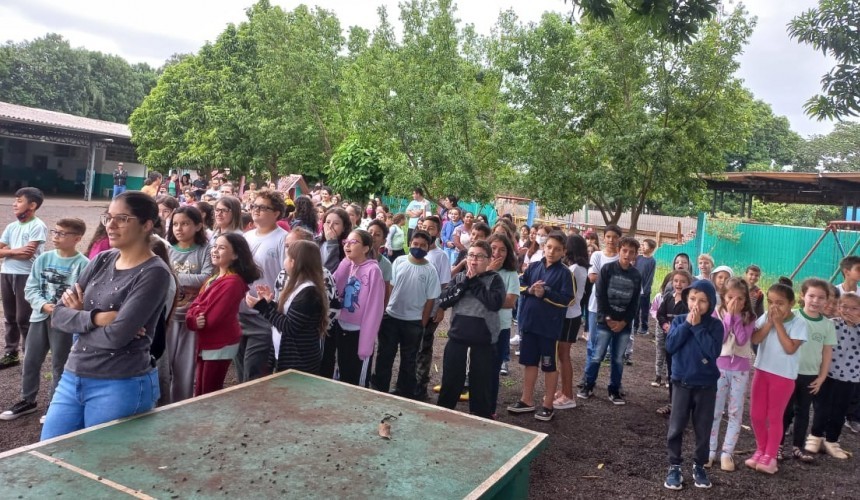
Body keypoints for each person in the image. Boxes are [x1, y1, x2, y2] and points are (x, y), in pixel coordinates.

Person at [42, 191, 172, 440]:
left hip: (120, 383)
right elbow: (57, 316)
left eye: (122, 218)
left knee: (100, 465)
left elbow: (117, 338)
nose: (110, 225)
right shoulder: (102, 259)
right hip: (73, 376)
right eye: (108, 217)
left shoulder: (154, 273)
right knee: (51, 452)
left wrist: (80, 317)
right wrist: (96, 319)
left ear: (146, 225)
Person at [0, 219, 88, 421]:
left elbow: (83, 297)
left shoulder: (83, 264)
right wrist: (43, 305)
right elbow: (30, 288)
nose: (56, 237)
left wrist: (60, 310)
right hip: (39, 317)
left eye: (62, 234)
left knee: (60, 364)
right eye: (54, 232)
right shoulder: (44, 259)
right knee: (31, 360)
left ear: (77, 238)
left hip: (65, 322)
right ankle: (27, 400)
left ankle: (54, 406)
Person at [507, 231, 574, 422]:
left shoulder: (565, 274)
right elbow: (519, 284)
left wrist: (546, 293)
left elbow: (568, 300)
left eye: (557, 249)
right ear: (544, 247)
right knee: (529, 362)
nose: (552, 252)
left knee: (549, 365)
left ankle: (547, 405)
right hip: (529, 325)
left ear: (564, 252)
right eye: (549, 247)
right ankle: (526, 400)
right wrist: (529, 290)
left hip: (549, 330)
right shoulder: (533, 267)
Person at [663, 279, 723, 490]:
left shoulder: (715, 325)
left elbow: (712, 351)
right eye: (692, 299)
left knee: (703, 427)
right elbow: (670, 346)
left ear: (711, 303)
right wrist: (688, 324)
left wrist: (697, 327)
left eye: (703, 301)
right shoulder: (679, 320)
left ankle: (699, 465)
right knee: (676, 425)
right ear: (687, 299)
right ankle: (674, 466)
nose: (696, 304)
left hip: (706, 385)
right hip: (681, 382)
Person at [746, 278, 808, 474]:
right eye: (771, 302)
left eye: (780, 303)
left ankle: (771, 457)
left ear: (791, 304)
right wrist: (769, 323)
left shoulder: (799, 323)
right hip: (762, 370)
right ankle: (761, 450)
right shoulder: (766, 317)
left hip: (783, 376)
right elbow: (755, 339)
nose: (774, 306)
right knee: (755, 415)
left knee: (774, 417)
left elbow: (790, 348)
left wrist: (779, 324)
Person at [437, 241, 505, 418]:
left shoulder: (495, 279)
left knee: (481, 388)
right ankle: (443, 417)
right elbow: (443, 301)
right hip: (457, 341)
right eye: (471, 256)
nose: (474, 261)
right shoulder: (460, 278)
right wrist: (464, 283)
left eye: (480, 257)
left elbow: (494, 303)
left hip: (483, 344)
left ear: (489, 259)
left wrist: (474, 282)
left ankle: (481, 421)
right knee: (450, 384)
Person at [187, 233, 259, 395]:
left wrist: (195, 315)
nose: (215, 251)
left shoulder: (233, 282)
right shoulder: (214, 278)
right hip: (208, 341)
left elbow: (212, 317)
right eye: (214, 246)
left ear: (234, 255)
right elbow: (195, 306)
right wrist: (193, 317)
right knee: (201, 389)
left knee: (209, 391)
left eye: (222, 247)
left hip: (220, 342)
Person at [371, 231, 441, 398]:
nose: (418, 248)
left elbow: (431, 299)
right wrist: (386, 308)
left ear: (428, 247)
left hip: (413, 322)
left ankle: (404, 392)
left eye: (423, 245)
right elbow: (391, 286)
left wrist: (423, 322)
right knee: (384, 355)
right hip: (392, 317)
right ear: (410, 243)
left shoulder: (430, 270)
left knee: (409, 360)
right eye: (415, 244)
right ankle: (379, 389)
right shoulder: (399, 262)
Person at [578, 236, 642, 405]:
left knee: (618, 358)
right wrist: (607, 318)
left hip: (624, 325)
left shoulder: (636, 275)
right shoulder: (607, 269)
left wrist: (623, 322)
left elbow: (635, 303)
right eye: (624, 250)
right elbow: (600, 296)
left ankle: (614, 390)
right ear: (619, 250)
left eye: (631, 252)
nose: (627, 255)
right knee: (597, 355)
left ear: (635, 255)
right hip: (604, 322)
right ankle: (588, 385)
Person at [248, 240, 327, 374]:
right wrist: (269, 303)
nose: (284, 261)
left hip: (299, 361)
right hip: (287, 355)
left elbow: (289, 326)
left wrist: (262, 307)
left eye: (287, 257)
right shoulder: (296, 285)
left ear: (294, 262)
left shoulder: (309, 292)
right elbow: (289, 314)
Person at [160, 206, 213, 404]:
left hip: (192, 317)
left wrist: (173, 277)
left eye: (185, 223)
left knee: (185, 368)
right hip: (168, 316)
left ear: (198, 225)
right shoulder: (167, 250)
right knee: (163, 366)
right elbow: (160, 276)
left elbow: (206, 278)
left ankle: (180, 405)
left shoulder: (205, 250)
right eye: (175, 224)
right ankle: (161, 405)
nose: (179, 228)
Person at [236, 191, 288, 382]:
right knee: (241, 367)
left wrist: (272, 304)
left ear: (276, 213)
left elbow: (286, 276)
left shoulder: (283, 239)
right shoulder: (246, 237)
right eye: (254, 206)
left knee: (255, 370)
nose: (256, 211)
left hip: (264, 315)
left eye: (263, 207)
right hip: (241, 311)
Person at [782, 278, 835, 461]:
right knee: (785, 411)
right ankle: (778, 446)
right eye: (811, 296)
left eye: (821, 297)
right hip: (788, 373)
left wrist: (822, 377)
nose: (815, 301)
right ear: (802, 296)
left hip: (810, 376)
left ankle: (797, 447)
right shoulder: (792, 316)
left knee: (803, 412)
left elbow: (827, 352)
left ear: (826, 301)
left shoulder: (828, 325)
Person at [708, 277, 756, 472]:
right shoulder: (716, 313)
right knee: (715, 410)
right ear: (723, 297)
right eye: (730, 297)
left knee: (735, 412)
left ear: (746, 300)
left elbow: (743, 340)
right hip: (719, 367)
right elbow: (721, 337)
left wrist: (737, 317)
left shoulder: (750, 318)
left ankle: (727, 452)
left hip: (741, 369)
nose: (735, 302)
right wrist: (729, 317)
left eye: (740, 299)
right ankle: (710, 451)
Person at [327, 230, 385, 386]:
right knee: (343, 372)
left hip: (359, 333)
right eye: (346, 242)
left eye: (354, 242)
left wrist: (366, 343)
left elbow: (375, 309)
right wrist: (345, 263)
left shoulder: (373, 271)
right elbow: (335, 287)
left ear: (366, 248)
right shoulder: (347, 265)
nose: (347, 245)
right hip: (341, 327)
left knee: (357, 378)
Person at [0, 187, 48, 369]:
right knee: (10, 316)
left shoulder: (37, 226)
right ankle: (11, 353)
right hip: (6, 273)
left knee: (25, 319)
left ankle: (30, 357)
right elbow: (16, 252)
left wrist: (6, 252)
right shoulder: (11, 227)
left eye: (19, 201)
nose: (14, 204)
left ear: (32, 205)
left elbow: (27, 254)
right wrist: (13, 251)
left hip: (26, 276)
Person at [808, 292, 860, 459]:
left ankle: (832, 440)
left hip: (850, 377)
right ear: (838, 307)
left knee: (840, 409)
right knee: (821, 407)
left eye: (854, 308)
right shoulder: (830, 324)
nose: (848, 311)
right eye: (844, 306)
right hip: (827, 374)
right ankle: (815, 437)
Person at [579, 225, 622, 386]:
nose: (611, 240)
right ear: (604, 238)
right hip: (595, 306)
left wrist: (604, 277)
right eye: (608, 236)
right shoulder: (597, 255)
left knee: (615, 347)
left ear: (619, 239)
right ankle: (587, 377)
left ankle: (616, 383)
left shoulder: (621, 257)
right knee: (592, 344)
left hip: (617, 307)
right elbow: (592, 277)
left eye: (615, 237)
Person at [415, 216, 452, 399]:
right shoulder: (415, 253)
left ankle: (420, 388)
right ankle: (407, 383)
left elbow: (445, 285)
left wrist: (440, 308)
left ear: (437, 232)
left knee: (424, 347)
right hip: (412, 308)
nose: (426, 230)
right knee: (411, 346)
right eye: (423, 226)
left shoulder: (440, 256)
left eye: (431, 228)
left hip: (430, 310)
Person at [553, 234, 588, 410]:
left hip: (569, 316)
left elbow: (570, 296)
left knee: (564, 356)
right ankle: (564, 390)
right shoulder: (578, 268)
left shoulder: (573, 269)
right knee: (562, 355)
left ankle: (569, 395)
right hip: (570, 315)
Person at [486, 234, 520, 410]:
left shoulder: (511, 273)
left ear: (508, 253)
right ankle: (477, 404)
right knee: (478, 366)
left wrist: (487, 299)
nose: (497, 253)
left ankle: (489, 408)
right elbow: (471, 294)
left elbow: (510, 301)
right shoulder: (480, 268)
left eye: (502, 249)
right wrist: (489, 271)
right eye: (493, 248)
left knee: (493, 369)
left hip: (501, 327)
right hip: (479, 326)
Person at [654, 270, 693, 414]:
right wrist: (665, 326)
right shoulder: (669, 298)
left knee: (683, 373)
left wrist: (676, 329)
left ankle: (685, 404)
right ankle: (672, 403)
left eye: (683, 281)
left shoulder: (689, 302)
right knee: (671, 373)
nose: (678, 284)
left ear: (689, 284)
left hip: (684, 345)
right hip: (671, 343)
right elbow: (660, 314)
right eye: (676, 281)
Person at [634, 239, 657, 335]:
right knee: (635, 309)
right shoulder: (638, 258)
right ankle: (635, 326)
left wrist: (646, 289)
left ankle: (644, 327)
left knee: (644, 310)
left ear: (651, 249)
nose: (642, 247)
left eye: (645, 245)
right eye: (642, 245)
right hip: (635, 288)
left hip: (645, 290)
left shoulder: (652, 261)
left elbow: (650, 276)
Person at [319, 207, 352, 274]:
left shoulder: (348, 247)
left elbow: (330, 272)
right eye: (328, 222)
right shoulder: (316, 242)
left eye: (336, 223)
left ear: (344, 228)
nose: (330, 226)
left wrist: (332, 242)